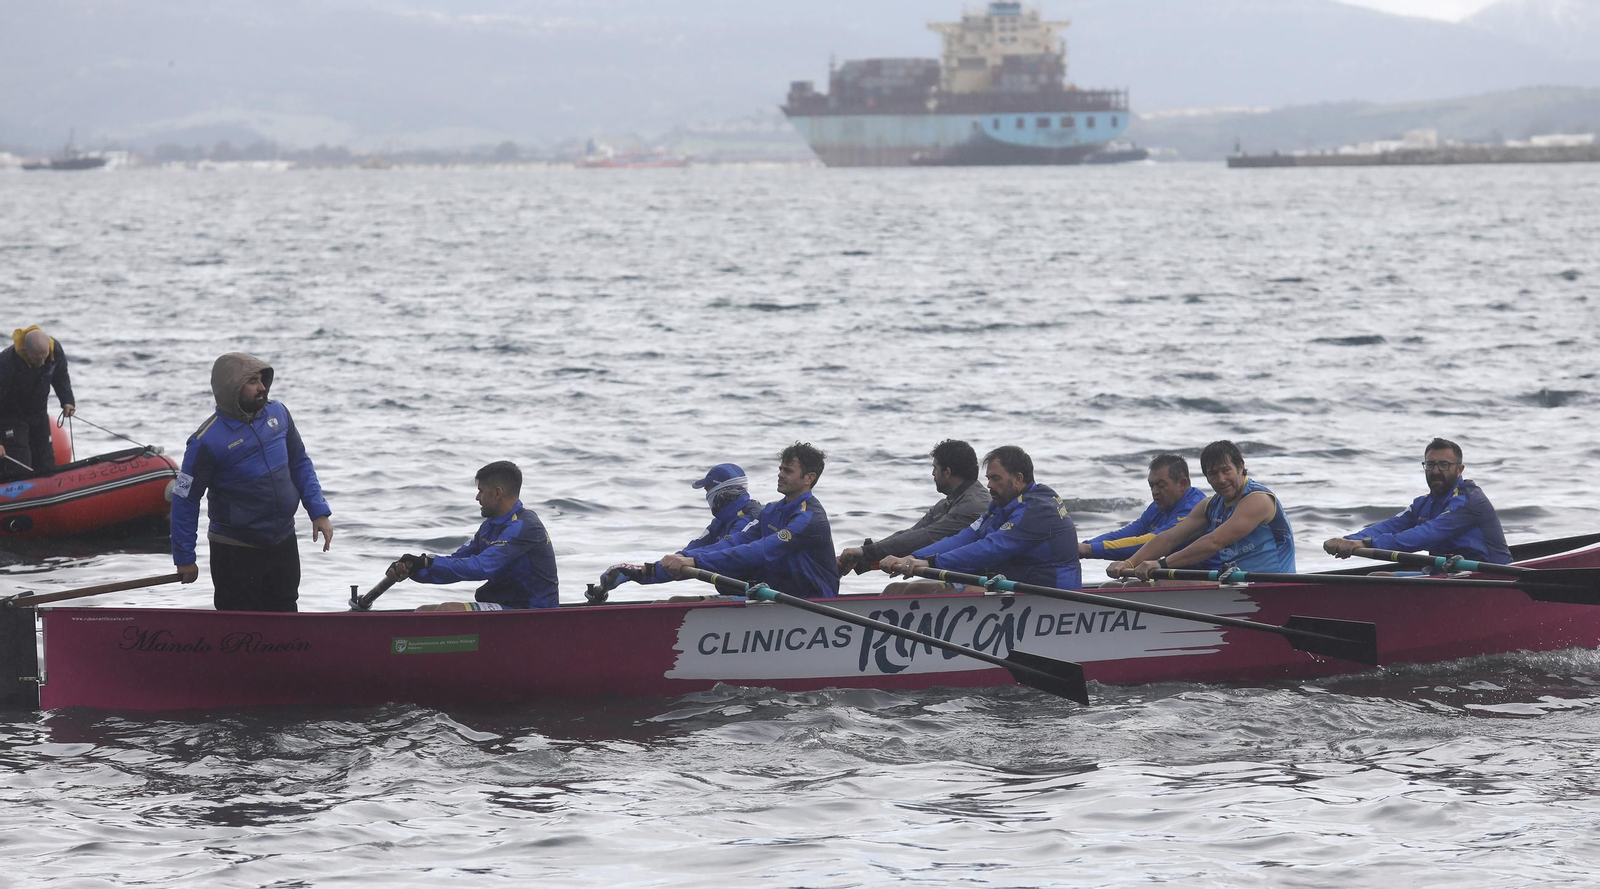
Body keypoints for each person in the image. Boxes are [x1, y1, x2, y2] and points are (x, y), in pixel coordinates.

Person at [170, 353, 333, 612]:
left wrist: (318, 511)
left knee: (286, 615)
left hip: (282, 541)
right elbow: (184, 498)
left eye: (262, 380)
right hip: (235, 550)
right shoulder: (205, 442)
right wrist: (184, 557)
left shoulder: (278, 413)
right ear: (231, 388)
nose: (262, 387)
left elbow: (300, 462)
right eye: (252, 381)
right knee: (240, 626)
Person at [880, 445, 1080, 593]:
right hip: (1014, 584)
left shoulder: (1039, 509)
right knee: (897, 589)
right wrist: (915, 557)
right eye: (988, 479)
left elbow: (991, 548)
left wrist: (931, 562)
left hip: (1051, 594)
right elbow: (967, 536)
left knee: (953, 592)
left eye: (996, 478)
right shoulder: (1002, 503)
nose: (989, 485)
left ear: (1018, 479)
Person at [659, 441, 839, 598]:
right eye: (780, 469)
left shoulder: (810, 519)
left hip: (813, 600)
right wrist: (686, 556)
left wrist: (697, 561)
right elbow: (737, 543)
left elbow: (762, 549)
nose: (780, 475)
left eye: (788, 471)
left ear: (809, 478)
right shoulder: (771, 510)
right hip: (779, 597)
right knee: (674, 601)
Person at [1110, 440, 1295, 580]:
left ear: (1240, 467)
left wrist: (1161, 564)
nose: (1221, 480)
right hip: (1236, 586)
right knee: (1117, 587)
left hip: (1275, 588)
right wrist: (1129, 562)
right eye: (1213, 474)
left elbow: (1214, 542)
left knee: (1160, 584)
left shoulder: (1258, 499)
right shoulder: (1210, 505)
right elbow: (1168, 538)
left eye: (1226, 470)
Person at [387, 461, 560, 611]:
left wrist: (428, 562)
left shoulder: (524, 527)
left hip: (532, 612)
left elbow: (481, 567)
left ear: (497, 493)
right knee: (423, 612)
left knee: (447, 610)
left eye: (481, 491)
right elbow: (456, 564)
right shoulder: (489, 527)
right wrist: (414, 569)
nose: (477, 498)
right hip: (505, 607)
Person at [1323, 437, 1511, 564]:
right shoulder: (1422, 504)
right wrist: (1349, 540)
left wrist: (1367, 544)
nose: (1436, 471)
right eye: (1430, 464)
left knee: (1382, 582)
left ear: (1460, 469)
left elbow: (1426, 534)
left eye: (1444, 465)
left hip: (1490, 577)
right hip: (1447, 574)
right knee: (1380, 578)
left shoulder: (1469, 501)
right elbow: (1392, 526)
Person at [597, 461, 764, 590]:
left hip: (758, 595)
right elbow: (690, 553)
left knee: (674, 602)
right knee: (668, 602)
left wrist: (687, 559)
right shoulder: (720, 522)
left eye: (707, 490)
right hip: (735, 594)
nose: (707, 496)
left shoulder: (752, 518)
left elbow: (729, 549)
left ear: (723, 490)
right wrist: (638, 573)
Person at [837, 439, 989, 576]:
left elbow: (928, 537)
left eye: (935, 468)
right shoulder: (948, 502)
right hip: (959, 573)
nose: (932, 473)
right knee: (896, 590)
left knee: (895, 590)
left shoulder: (973, 505)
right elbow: (912, 534)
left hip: (984, 578)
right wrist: (862, 559)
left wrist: (866, 552)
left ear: (947, 472)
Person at [1079, 454, 1213, 567]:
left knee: (1137, 585)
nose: (1154, 491)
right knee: (1110, 586)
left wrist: (1090, 550)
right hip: (1178, 574)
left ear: (1182, 484)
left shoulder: (1193, 507)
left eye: (1161, 485)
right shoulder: (1159, 506)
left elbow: (1152, 542)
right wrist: (1084, 546)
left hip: (1207, 575)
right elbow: (1126, 533)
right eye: (1151, 485)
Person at [0, 326, 75, 480]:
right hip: (11, 417)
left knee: (45, 460)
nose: (41, 362)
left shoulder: (55, 351)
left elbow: (61, 375)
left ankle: (50, 490)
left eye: (44, 357)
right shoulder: (6, 363)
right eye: (36, 358)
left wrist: (67, 401)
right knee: (20, 463)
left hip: (39, 414)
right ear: (25, 351)